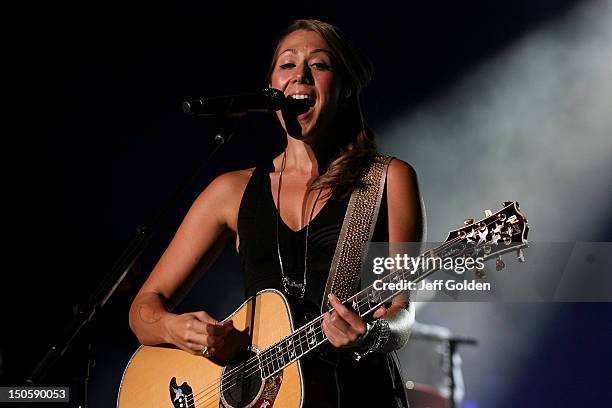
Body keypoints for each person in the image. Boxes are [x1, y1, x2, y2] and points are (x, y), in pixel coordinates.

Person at [129, 19, 424, 407]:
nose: (300, 74)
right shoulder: (230, 191)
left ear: (345, 89)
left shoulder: (387, 179)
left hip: (356, 394)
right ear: (272, 86)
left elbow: (401, 313)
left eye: (319, 65)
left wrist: (371, 336)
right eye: (287, 65)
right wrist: (176, 327)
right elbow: (143, 308)